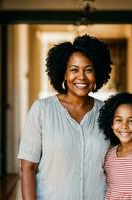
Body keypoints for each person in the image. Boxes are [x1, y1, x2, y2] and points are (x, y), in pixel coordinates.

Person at [18, 34, 112, 200]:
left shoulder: (107, 113)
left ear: (97, 73)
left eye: (88, 70)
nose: (81, 77)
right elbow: (28, 168)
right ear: (63, 73)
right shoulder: (42, 110)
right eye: (74, 69)